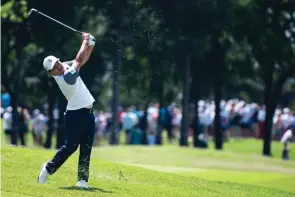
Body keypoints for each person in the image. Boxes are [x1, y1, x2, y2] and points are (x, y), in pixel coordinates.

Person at [38, 32, 96, 188]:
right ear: (51, 73)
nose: (58, 67)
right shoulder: (66, 78)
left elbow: (83, 59)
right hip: (75, 116)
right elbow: (78, 59)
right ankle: (47, 168)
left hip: (88, 114)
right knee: (70, 147)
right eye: (54, 68)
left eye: (57, 63)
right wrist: (85, 41)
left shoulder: (65, 67)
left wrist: (91, 44)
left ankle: (82, 180)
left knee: (86, 148)